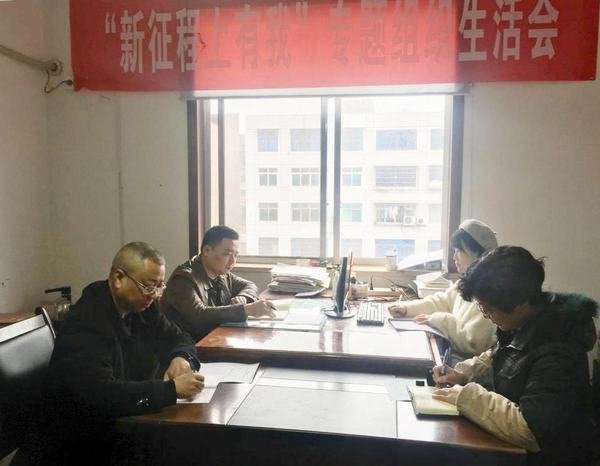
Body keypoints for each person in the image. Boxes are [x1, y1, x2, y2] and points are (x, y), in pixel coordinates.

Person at [39, 242, 204, 465]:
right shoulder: (88, 322)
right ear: (118, 278)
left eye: (160, 286)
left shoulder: (143, 307)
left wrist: (181, 358)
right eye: (149, 286)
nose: (155, 295)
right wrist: (170, 390)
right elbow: (102, 394)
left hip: (125, 423)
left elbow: (180, 337)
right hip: (82, 442)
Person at [432, 246, 599, 466]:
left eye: (489, 310)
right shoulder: (526, 319)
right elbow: (502, 354)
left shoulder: (559, 349)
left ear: (520, 304)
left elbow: (531, 430)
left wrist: (467, 397)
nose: (486, 316)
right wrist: (463, 373)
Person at [388, 219, 498, 361]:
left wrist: (438, 320)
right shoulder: (467, 282)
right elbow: (442, 301)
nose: (454, 257)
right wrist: (406, 309)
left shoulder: (489, 294)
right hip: (454, 359)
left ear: (479, 254)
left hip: (465, 366)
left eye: (459, 251)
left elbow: (473, 344)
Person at [161, 225, 276, 341]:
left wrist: (243, 296)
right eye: (227, 254)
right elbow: (199, 315)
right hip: (184, 346)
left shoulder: (222, 274)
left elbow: (249, 285)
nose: (233, 261)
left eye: (235, 255)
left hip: (212, 339)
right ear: (207, 251)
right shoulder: (183, 279)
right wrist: (246, 310)